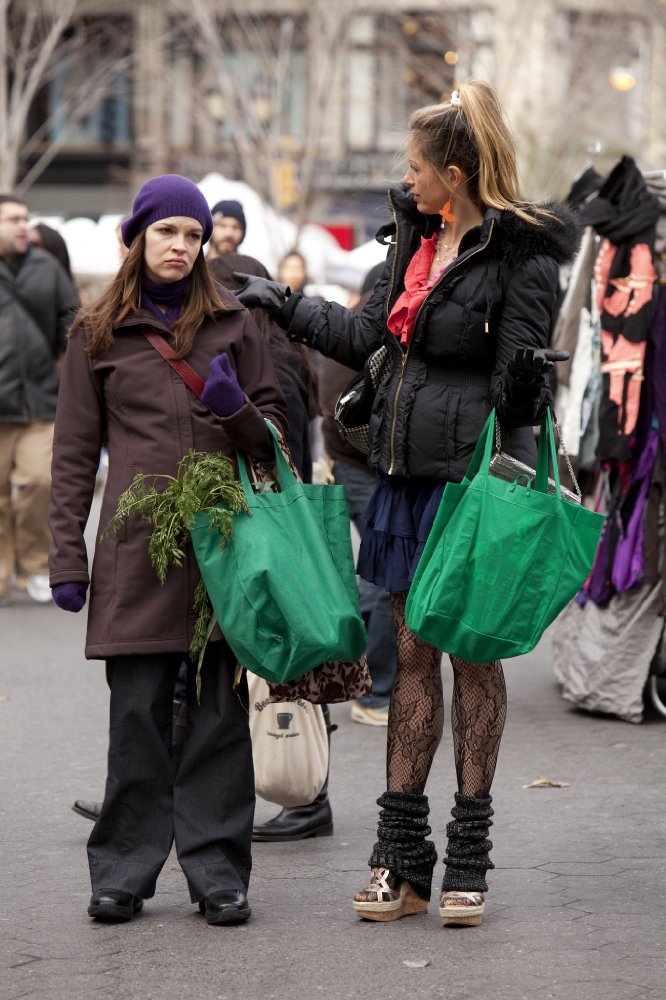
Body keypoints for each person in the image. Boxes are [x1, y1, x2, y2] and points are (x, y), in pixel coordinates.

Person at [233, 80, 577, 927]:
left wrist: (526, 377)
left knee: (473, 658)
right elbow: (374, 341)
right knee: (413, 657)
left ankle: (469, 854)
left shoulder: (521, 257)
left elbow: (518, 398)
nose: (406, 178)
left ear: (455, 173)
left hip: (471, 487)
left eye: (417, 166)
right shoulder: (412, 242)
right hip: (402, 476)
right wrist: (288, 307)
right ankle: (400, 855)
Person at [48, 174, 287, 925]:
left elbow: (277, 438)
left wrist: (239, 409)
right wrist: (66, 557)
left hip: (225, 543)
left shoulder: (236, 324)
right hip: (136, 545)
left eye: (192, 234)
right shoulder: (96, 334)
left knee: (219, 712)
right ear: (137, 238)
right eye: (167, 233)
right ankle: (123, 869)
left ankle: (218, 870)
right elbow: (73, 454)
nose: (183, 247)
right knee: (137, 715)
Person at [318, 262, 397, 727]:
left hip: (371, 469)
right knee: (382, 576)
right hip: (362, 470)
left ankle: (378, 680)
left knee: (381, 571)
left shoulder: (369, 330)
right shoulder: (357, 336)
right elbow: (337, 418)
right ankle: (375, 691)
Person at [0, 195, 78, 606]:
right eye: (12, 218)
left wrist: (66, 353)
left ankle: (32, 563)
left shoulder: (45, 267)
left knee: (37, 480)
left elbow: (73, 316)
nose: (22, 226)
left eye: (25, 218)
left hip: (39, 401)